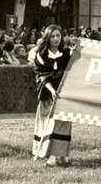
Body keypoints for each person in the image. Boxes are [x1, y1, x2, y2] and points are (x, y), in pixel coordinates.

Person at [30, 24, 73, 165]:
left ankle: (62, 155)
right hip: (48, 93)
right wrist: (52, 90)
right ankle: (51, 157)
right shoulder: (41, 55)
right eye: (52, 36)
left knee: (62, 124)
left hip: (64, 93)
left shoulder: (67, 53)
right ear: (47, 38)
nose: (56, 39)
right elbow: (42, 75)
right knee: (49, 124)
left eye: (58, 36)